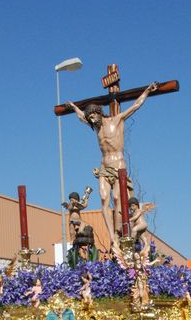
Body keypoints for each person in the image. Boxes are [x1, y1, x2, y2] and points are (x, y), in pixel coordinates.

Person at [66, 82, 158, 244]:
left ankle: (119, 231)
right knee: (103, 198)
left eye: (93, 116)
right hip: (104, 167)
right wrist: (74, 107)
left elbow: (136, 105)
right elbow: (81, 117)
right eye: (90, 118)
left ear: (98, 113)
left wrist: (147, 91)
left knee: (117, 198)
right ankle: (112, 236)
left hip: (118, 166)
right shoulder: (95, 127)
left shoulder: (117, 120)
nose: (91, 120)